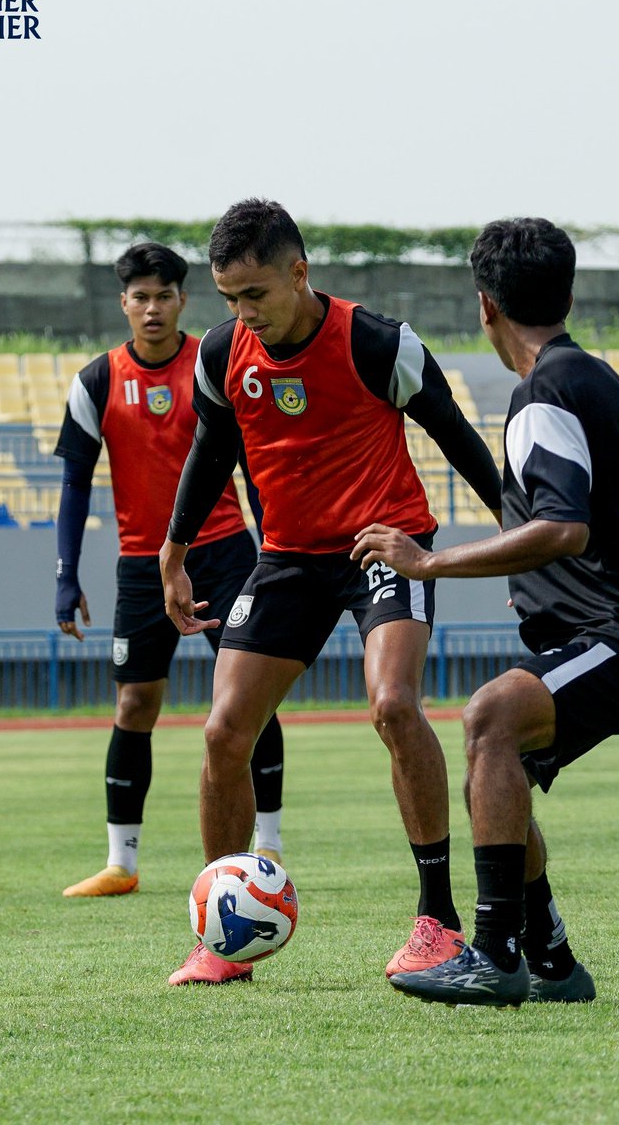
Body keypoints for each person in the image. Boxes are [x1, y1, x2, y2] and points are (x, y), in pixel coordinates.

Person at [351, 217, 619, 1007]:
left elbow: (563, 528)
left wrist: (428, 562)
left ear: (484, 306)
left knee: (488, 716)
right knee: (503, 766)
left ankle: (493, 953)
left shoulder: (544, 395)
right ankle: (553, 958)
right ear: (568, 294)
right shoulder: (609, 390)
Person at [159, 198, 503, 986]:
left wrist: (520, 550)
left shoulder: (380, 344)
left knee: (393, 705)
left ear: (299, 272)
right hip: (287, 558)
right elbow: (213, 448)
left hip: (384, 547)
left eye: (256, 295)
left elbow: (462, 444)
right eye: (230, 300)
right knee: (221, 733)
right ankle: (222, 935)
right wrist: (172, 553)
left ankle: (438, 921)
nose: (244, 314)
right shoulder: (221, 354)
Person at [54, 241, 285, 917]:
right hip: (138, 565)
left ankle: (265, 848)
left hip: (223, 553)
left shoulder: (213, 363)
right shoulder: (98, 380)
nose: (151, 309)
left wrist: (273, 543)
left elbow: (251, 460)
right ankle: (120, 862)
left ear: (183, 300)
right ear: (124, 303)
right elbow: (73, 482)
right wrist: (66, 576)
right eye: (139, 297)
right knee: (134, 707)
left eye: (164, 296)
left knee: (246, 699)